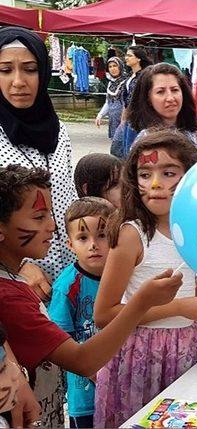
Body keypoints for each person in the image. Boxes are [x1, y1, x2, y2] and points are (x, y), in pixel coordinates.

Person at [0, 164, 184, 427]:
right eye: (39, 217)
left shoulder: (13, 281)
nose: (53, 226)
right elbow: (83, 361)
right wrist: (142, 302)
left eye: (50, 215)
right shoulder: (10, 298)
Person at [93, 131, 197, 428]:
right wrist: (180, 309)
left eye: (169, 173)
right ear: (133, 180)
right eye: (145, 174)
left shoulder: (190, 232)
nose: (155, 184)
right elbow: (104, 315)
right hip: (138, 355)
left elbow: (182, 285)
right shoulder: (132, 235)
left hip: (183, 348)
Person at [0, 27, 76, 299]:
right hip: (15, 283)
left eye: (30, 69)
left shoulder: (59, 131)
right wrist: (19, 265)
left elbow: (69, 195)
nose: (18, 81)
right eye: (6, 70)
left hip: (71, 277)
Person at [48, 197, 115, 429]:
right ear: (70, 244)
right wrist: (89, 368)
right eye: (83, 238)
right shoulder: (66, 286)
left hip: (124, 383)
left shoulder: (125, 275)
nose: (93, 244)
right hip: (85, 395)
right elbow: (59, 339)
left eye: (102, 235)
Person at [122, 63, 197, 157]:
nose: (170, 98)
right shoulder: (148, 142)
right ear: (148, 98)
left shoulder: (188, 133)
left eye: (174, 90)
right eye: (160, 92)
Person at [95, 57, 127, 139]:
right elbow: (108, 102)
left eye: (115, 66)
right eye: (110, 67)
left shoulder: (127, 82)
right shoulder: (110, 83)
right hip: (113, 120)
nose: (113, 69)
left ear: (120, 66)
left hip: (125, 121)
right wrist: (100, 115)